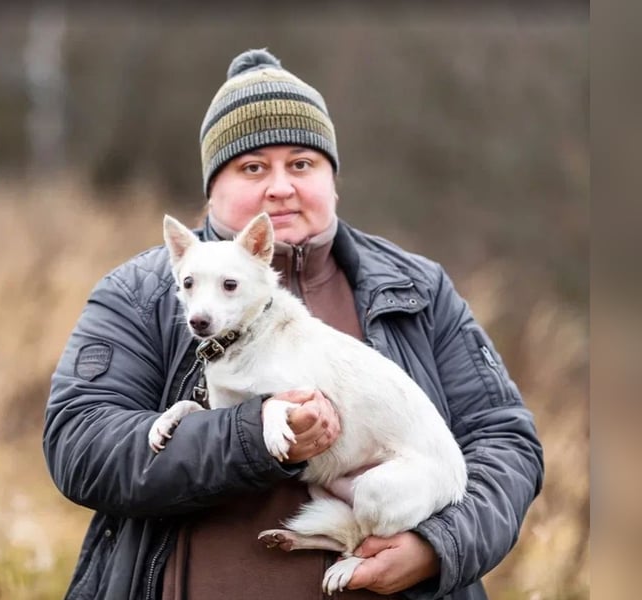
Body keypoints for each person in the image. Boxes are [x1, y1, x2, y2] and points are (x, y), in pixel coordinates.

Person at [43, 48, 544, 600]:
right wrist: (249, 435)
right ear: (213, 187)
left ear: (333, 181)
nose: (280, 186)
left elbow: (505, 442)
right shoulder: (140, 295)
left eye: (302, 164)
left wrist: (436, 547)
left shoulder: (419, 291)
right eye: (252, 166)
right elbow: (81, 445)